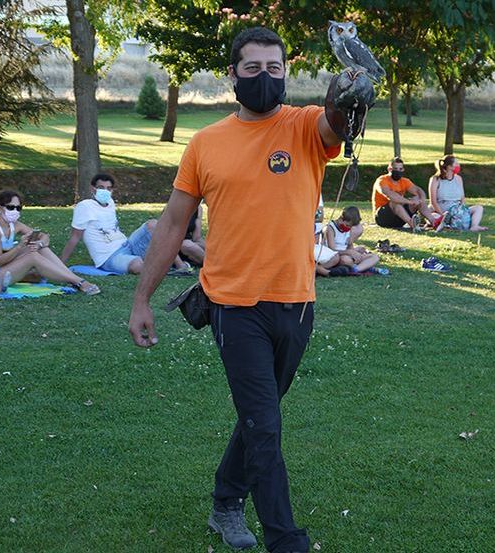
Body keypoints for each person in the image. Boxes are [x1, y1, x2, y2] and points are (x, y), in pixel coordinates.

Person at [128, 27, 356, 553]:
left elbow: (335, 121)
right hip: (233, 305)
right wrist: (142, 299)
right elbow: (171, 225)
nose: (264, 78)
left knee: (261, 417)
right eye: (252, 69)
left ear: (285, 73)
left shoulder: (303, 128)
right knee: (264, 425)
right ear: (232, 75)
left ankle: (225, 500)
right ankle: (286, 539)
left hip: (297, 304)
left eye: (274, 68)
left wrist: (347, 90)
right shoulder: (206, 143)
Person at [0, 190, 100, 295]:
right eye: (11, 207)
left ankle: (73, 279)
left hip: (1, 270)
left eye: (18, 208)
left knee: (39, 248)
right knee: (32, 256)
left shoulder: (14, 225)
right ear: (0, 208)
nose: (15, 211)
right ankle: (79, 282)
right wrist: (20, 246)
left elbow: (44, 236)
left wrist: (40, 243)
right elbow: (0, 260)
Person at [60, 174, 179, 274]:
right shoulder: (85, 206)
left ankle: (181, 266)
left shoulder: (110, 203)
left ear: (112, 190)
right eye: (101, 187)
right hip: (109, 257)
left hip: (127, 244)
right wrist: (60, 264)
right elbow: (75, 237)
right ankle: (161, 267)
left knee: (153, 224)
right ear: (93, 189)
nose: (105, 191)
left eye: (108, 188)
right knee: (137, 265)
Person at [371, 157, 441, 230]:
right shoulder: (382, 181)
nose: (398, 171)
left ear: (403, 169)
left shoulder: (404, 181)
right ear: (389, 169)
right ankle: (413, 224)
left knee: (417, 198)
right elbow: (391, 196)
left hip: (399, 217)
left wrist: (421, 200)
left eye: (400, 169)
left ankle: (434, 222)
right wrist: (410, 202)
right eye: (395, 169)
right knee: (395, 202)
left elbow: (418, 190)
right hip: (382, 218)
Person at [427, 155, 487, 231]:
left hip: (457, 209)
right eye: (456, 164)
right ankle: (444, 222)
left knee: (478, 208)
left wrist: (462, 211)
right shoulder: (435, 179)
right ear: (449, 166)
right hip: (441, 209)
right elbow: (433, 202)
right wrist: (443, 215)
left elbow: (462, 198)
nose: (458, 165)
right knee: (433, 216)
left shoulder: (458, 178)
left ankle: (474, 226)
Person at [324, 206, 383, 273]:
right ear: (341, 219)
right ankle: (364, 267)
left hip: (347, 254)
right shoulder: (330, 228)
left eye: (351, 226)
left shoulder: (348, 228)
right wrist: (350, 252)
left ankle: (356, 269)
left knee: (375, 257)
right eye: (347, 225)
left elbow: (350, 246)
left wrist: (355, 253)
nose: (349, 228)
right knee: (346, 260)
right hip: (337, 256)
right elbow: (332, 251)